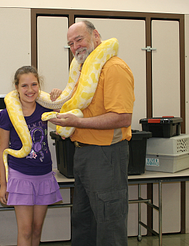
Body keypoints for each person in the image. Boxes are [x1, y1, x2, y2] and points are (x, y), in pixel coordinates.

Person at [49, 20, 135, 246]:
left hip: (106, 155)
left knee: (109, 222)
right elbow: (78, 107)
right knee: (83, 221)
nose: (75, 47)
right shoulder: (82, 70)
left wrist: (78, 122)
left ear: (96, 36)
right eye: (70, 43)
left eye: (79, 39)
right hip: (83, 154)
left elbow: (122, 117)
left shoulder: (113, 67)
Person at [0, 65, 63, 246]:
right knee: (25, 230)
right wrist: (3, 184)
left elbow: (67, 122)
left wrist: (57, 100)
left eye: (34, 85)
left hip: (44, 175)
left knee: (36, 228)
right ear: (16, 88)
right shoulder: (7, 115)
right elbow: (2, 150)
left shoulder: (44, 109)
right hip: (20, 175)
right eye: (24, 86)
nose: (30, 90)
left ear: (39, 86)